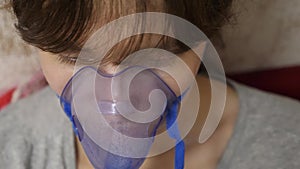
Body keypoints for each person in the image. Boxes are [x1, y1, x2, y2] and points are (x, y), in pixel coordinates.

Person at [0, 0, 299, 169]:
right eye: (73, 58)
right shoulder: (10, 147)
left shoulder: (287, 145)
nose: (118, 96)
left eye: (153, 57)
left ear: (201, 40)